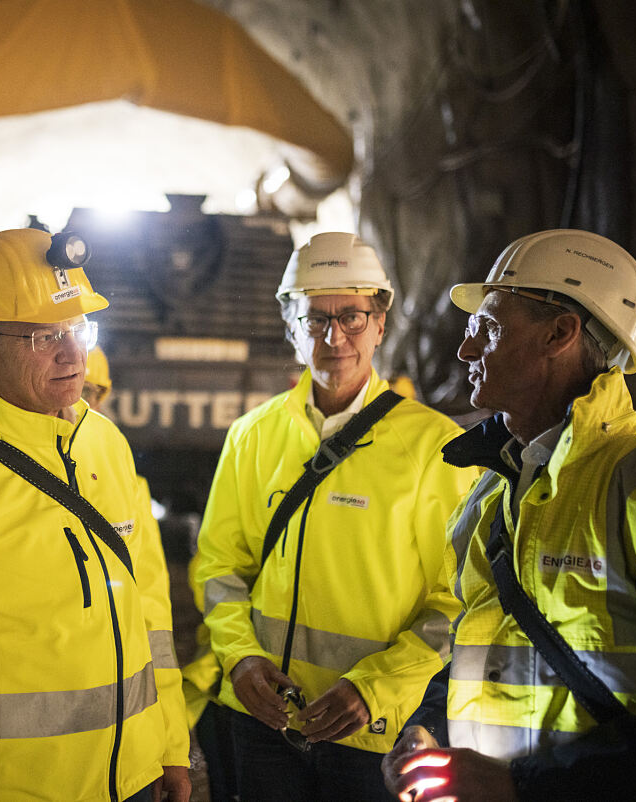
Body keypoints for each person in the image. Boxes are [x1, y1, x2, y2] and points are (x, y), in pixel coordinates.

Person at [386, 229, 636, 801]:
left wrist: (522, 786)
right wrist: (427, 730)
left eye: (487, 329)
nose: (465, 351)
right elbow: (478, 651)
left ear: (559, 332)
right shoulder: (490, 497)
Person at [0, 228, 190, 801]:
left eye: (79, 328)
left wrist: (170, 746)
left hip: (139, 779)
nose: (75, 354)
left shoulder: (108, 446)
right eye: (47, 336)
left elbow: (151, 613)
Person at [191, 231, 478, 801]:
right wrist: (242, 661)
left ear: (379, 323)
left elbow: (458, 601)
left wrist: (373, 689)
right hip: (261, 723)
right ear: (290, 325)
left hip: (372, 734)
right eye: (314, 318)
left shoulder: (434, 448)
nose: (333, 336)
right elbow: (219, 569)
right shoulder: (252, 436)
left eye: (351, 316)